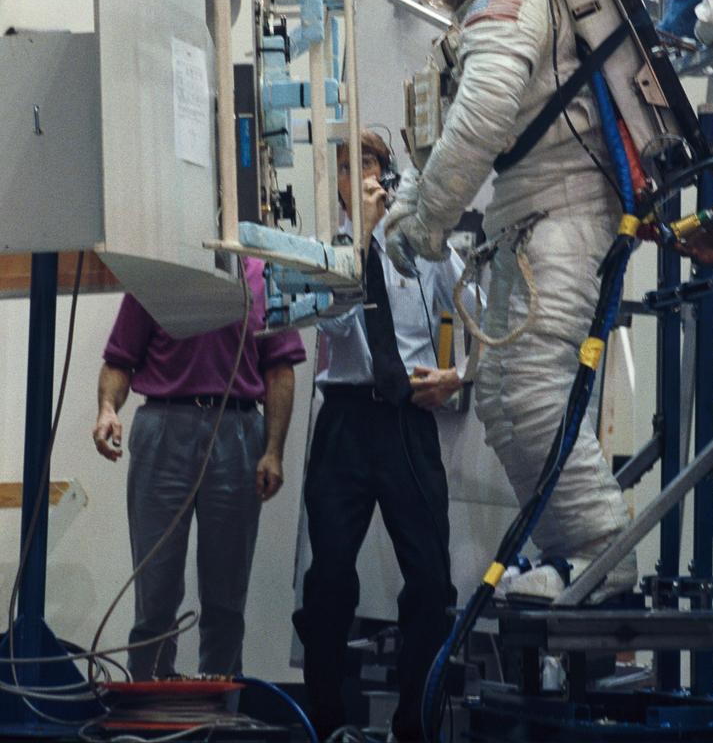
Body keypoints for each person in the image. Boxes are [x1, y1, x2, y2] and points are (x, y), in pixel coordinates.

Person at [385, 0, 637, 607]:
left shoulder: (512, 2)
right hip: (531, 216)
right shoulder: (490, 10)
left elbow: (482, 122)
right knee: (502, 395)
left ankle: (599, 557)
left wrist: (429, 219)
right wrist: (408, 207)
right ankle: (573, 557)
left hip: (564, 210)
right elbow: (437, 132)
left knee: (529, 391)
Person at [293, 130, 465, 743]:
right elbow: (333, 319)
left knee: (430, 581)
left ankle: (412, 726)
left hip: (406, 418)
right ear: (332, 180)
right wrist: (358, 237)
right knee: (330, 578)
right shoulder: (319, 245)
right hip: (343, 417)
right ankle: (328, 723)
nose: (357, 174)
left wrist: (457, 375)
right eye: (344, 165)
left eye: (366, 162)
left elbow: (480, 306)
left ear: (386, 174)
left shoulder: (421, 243)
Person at [93, 257, 306, 680]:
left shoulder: (266, 275)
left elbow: (280, 369)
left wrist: (274, 451)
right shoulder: (157, 272)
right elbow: (119, 360)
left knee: (226, 598)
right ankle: (148, 707)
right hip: (164, 428)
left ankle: (218, 715)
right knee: (155, 591)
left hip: (239, 429)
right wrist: (105, 409)